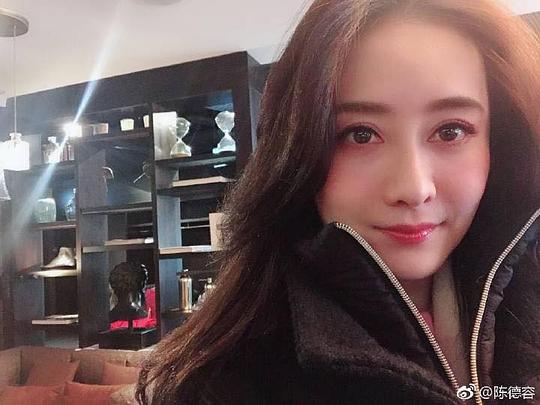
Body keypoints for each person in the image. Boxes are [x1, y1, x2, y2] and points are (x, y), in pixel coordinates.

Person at [137, 0, 540, 403]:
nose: (414, 188)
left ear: (501, 140)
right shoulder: (222, 385)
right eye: (360, 135)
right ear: (298, 151)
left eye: (451, 131)